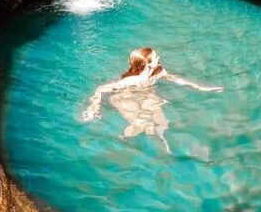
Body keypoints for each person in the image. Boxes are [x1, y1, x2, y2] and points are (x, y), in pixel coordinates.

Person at [81, 48, 222, 153]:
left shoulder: (159, 71)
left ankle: (162, 141)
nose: (159, 57)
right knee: (142, 123)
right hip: (124, 97)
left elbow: (175, 79)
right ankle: (121, 140)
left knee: (162, 121)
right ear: (147, 64)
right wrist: (94, 106)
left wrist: (201, 88)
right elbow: (101, 89)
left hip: (146, 94)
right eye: (155, 57)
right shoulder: (131, 80)